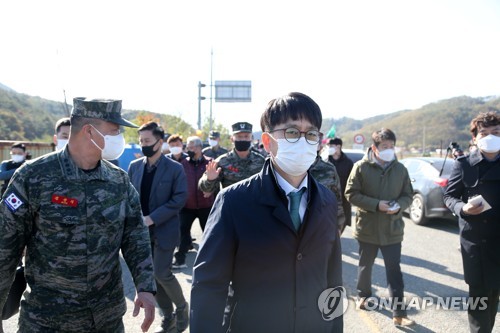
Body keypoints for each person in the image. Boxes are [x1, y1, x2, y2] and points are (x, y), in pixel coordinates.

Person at [0, 97, 156, 332]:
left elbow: (135, 235)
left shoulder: (118, 180)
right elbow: (5, 249)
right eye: (114, 131)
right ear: (89, 131)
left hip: (106, 320)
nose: (119, 138)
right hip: (47, 321)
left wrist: (145, 286)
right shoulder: (32, 177)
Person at [191, 92, 343, 332]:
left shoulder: (326, 199)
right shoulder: (233, 202)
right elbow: (209, 285)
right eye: (292, 132)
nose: (303, 141)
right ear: (267, 141)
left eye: (311, 133)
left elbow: (333, 278)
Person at [345, 128, 415, 327]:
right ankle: (364, 296)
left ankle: (399, 313)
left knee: (394, 271)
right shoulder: (360, 167)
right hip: (367, 228)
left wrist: (399, 206)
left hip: (392, 229)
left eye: (392, 146)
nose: (389, 150)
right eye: (384, 147)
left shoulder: (400, 169)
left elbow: (408, 195)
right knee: (365, 266)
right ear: (374, 148)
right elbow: (351, 194)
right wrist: (376, 205)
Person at [128, 121, 189, 333]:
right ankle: (168, 317)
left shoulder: (175, 168)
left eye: (147, 141)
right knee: (152, 277)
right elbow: (130, 198)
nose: (143, 144)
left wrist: (152, 218)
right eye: (140, 141)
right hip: (141, 233)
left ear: (159, 142)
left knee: (162, 273)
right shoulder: (135, 167)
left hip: (164, 230)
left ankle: (182, 307)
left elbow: (179, 199)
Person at [443, 110, 500, 333]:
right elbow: (448, 196)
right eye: (484, 133)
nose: (491, 137)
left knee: (493, 299)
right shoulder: (464, 164)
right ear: (474, 139)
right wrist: (462, 208)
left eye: (496, 132)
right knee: (479, 302)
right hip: (476, 243)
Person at [173, 136, 215, 269]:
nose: (188, 150)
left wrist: (211, 190)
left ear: (199, 148)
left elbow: (217, 181)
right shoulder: (183, 164)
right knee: (183, 232)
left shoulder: (210, 163)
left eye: (191, 147)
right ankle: (180, 260)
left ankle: (212, 261)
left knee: (210, 234)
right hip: (187, 206)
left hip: (206, 206)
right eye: (188, 147)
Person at [198, 121, 265, 194]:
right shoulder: (222, 161)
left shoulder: (261, 161)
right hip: (231, 204)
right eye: (239, 136)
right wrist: (210, 180)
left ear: (251, 138)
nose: (242, 139)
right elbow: (205, 189)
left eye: (246, 136)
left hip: (255, 204)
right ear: (232, 139)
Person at [309, 135, 346, 229]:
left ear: (319, 145)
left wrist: (338, 225)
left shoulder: (328, 169)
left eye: (310, 136)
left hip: (321, 229)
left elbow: (336, 199)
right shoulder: (282, 168)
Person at [327, 138, 354, 233]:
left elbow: (351, 182)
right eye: (328, 146)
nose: (329, 148)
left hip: (342, 201)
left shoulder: (348, 163)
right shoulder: (325, 160)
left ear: (339, 146)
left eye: (331, 146)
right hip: (326, 200)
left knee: (339, 229)